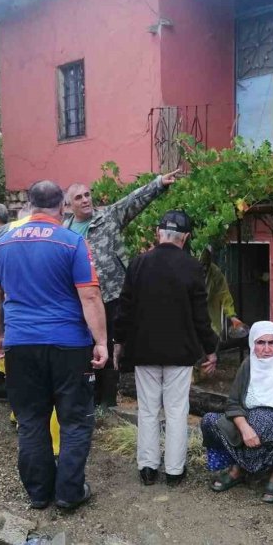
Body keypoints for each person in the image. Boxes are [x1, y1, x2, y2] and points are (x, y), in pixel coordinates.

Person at [0, 180, 107, 511]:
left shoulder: (3, 243)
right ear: (63, 207)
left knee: (31, 419)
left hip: (21, 344)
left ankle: (39, 493)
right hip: (68, 345)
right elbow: (90, 295)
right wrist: (101, 341)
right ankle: (69, 492)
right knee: (75, 420)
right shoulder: (72, 242)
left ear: (28, 203)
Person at [113, 210, 218, 486]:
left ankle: (147, 468)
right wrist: (211, 349)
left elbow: (124, 309)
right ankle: (174, 470)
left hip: (144, 350)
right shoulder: (193, 267)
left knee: (147, 409)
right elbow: (200, 316)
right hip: (180, 353)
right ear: (185, 237)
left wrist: (118, 342)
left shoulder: (138, 264)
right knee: (176, 410)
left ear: (158, 233)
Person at [62, 170, 179, 408]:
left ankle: (108, 399)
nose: (85, 200)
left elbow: (133, 200)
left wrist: (158, 184)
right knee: (87, 344)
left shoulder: (108, 216)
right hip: (83, 298)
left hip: (113, 293)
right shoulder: (64, 231)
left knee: (114, 344)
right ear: (68, 205)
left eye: (87, 195)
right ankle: (90, 396)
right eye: (79, 198)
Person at [201, 321, 273, 503]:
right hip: (245, 429)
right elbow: (232, 403)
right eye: (260, 343)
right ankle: (236, 469)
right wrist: (245, 428)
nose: (267, 348)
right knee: (209, 421)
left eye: (271, 342)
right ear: (252, 344)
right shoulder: (248, 365)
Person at [200, 246, 245, 340]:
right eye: (201, 265)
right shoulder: (186, 271)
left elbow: (224, 294)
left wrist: (232, 315)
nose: (204, 268)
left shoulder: (215, 272)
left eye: (206, 265)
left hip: (211, 320)